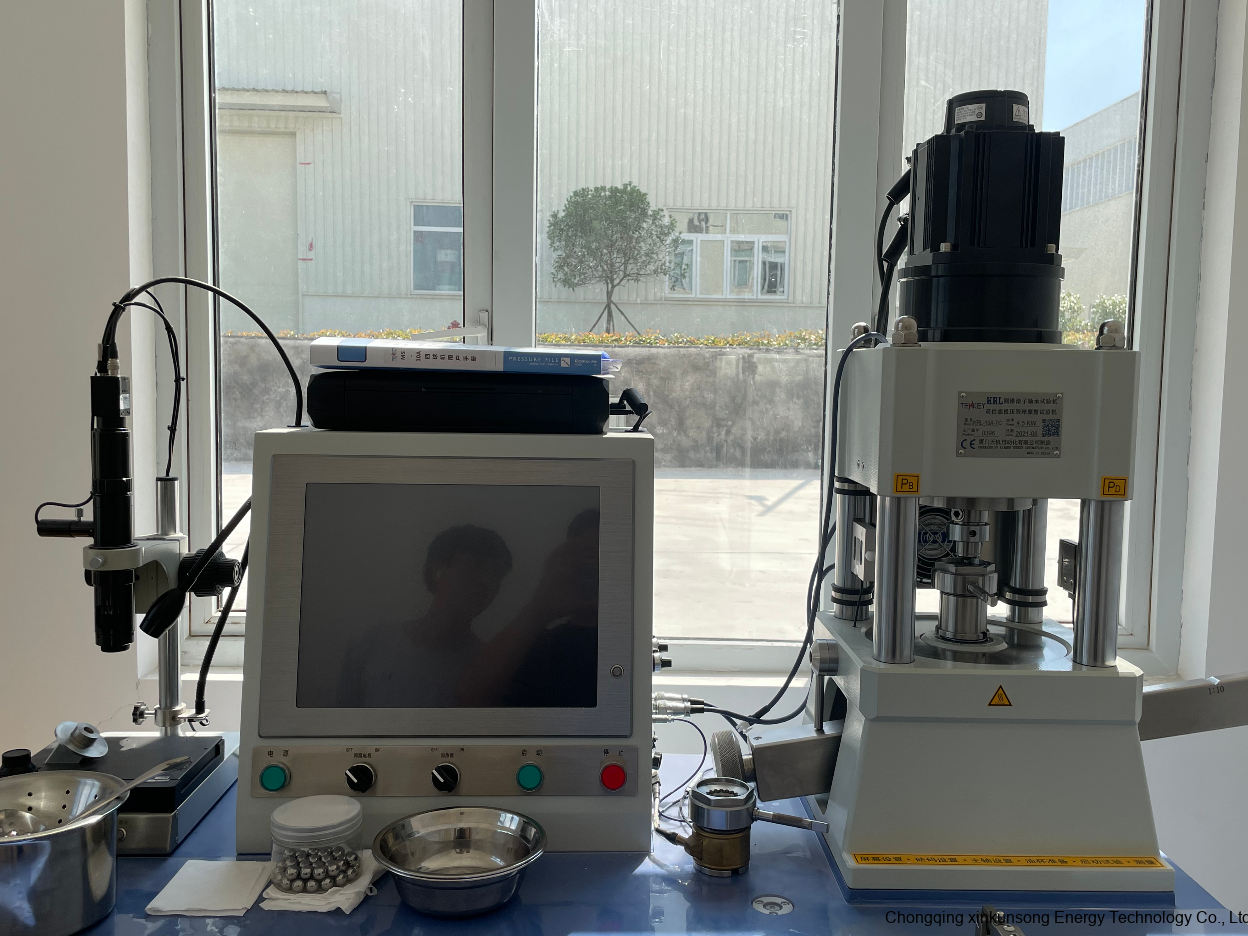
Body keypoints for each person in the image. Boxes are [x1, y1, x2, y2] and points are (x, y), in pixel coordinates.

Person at [334, 524, 512, 707]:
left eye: (495, 575)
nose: (485, 581)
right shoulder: (371, 643)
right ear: (436, 570)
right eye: (476, 566)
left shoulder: (489, 667)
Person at [459, 508, 600, 707]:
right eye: (586, 557)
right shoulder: (543, 647)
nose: (596, 568)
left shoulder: (634, 643)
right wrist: (540, 607)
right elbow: (470, 698)